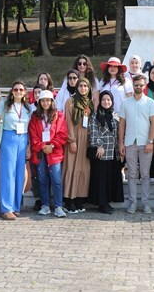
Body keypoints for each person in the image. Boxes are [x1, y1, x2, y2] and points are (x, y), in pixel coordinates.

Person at [0, 80, 32, 221]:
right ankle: (6, 208)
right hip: (9, 138)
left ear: (25, 92)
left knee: (20, 174)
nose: (18, 92)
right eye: (15, 89)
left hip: (23, 139)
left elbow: (30, 129)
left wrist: (29, 147)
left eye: (21, 89)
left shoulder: (27, 108)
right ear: (12, 91)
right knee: (8, 173)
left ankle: (15, 206)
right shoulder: (5, 105)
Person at [118, 74, 154, 214]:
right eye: (136, 85)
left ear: (144, 85)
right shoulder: (125, 103)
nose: (138, 87)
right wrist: (121, 143)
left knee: (145, 174)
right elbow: (122, 124)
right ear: (133, 85)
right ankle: (133, 203)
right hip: (130, 143)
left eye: (141, 85)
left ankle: (146, 204)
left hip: (145, 143)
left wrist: (150, 142)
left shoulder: (150, 103)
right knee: (132, 175)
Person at [28, 90, 69, 218]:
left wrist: (51, 146)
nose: (46, 103)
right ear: (39, 102)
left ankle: (58, 206)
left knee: (56, 179)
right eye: (43, 100)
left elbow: (62, 134)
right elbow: (33, 136)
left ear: (52, 102)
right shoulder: (35, 117)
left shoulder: (59, 115)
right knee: (42, 179)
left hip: (54, 152)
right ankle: (45, 205)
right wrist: (42, 146)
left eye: (48, 100)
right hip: (40, 153)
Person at [88, 91, 125, 214]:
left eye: (108, 100)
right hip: (102, 152)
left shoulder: (115, 115)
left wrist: (121, 146)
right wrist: (99, 145)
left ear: (112, 101)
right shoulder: (95, 115)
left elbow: (119, 133)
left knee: (110, 178)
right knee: (101, 179)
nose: (106, 102)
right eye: (104, 99)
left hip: (113, 152)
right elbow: (92, 132)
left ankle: (108, 201)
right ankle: (102, 203)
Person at [62, 77, 94, 213]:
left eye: (85, 86)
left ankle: (80, 200)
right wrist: (72, 140)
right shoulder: (70, 101)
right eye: (81, 86)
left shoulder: (90, 103)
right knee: (72, 168)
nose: (83, 89)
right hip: (74, 139)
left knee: (84, 169)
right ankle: (69, 201)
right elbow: (68, 122)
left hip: (86, 140)